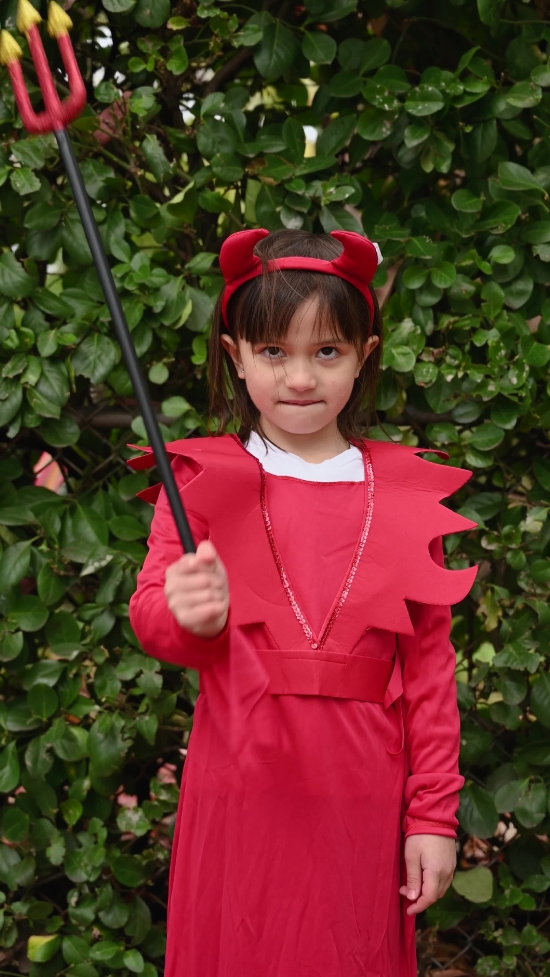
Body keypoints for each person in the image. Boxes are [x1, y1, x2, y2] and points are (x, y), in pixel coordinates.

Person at [128, 228, 477, 977]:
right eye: (273, 351)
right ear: (236, 356)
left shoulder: (406, 494)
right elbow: (155, 615)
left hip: (361, 797)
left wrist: (432, 815)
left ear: (364, 354)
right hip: (242, 786)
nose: (298, 377)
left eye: (326, 352)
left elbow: (430, 673)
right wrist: (188, 616)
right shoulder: (202, 484)